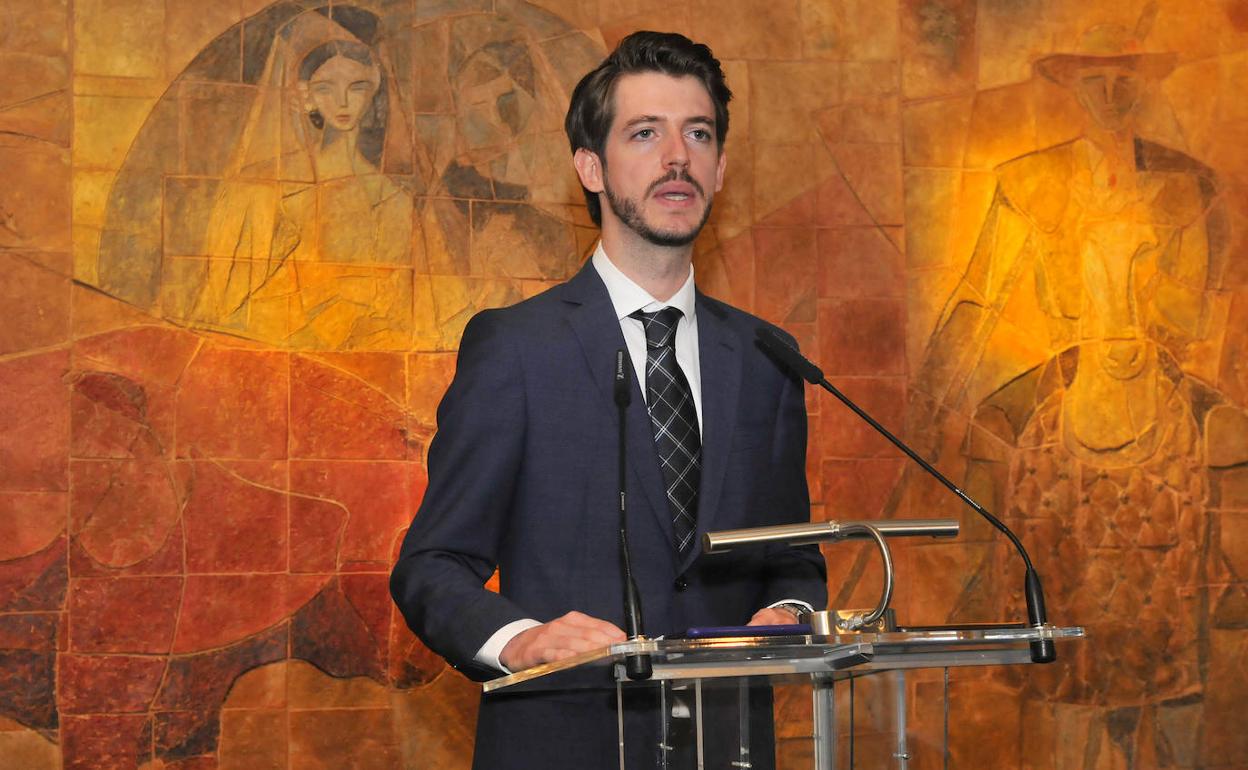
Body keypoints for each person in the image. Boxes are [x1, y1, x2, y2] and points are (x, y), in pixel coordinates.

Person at [390, 31, 827, 769]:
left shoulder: (765, 357)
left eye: (698, 134)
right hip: (563, 743)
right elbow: (431, 566)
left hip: (726, 747)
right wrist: (521, 640)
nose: (678, 157)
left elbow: (792, 558)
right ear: (590, 167)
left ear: (721, 168)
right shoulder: (516, 349)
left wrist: (789, 612)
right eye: (645, 133)